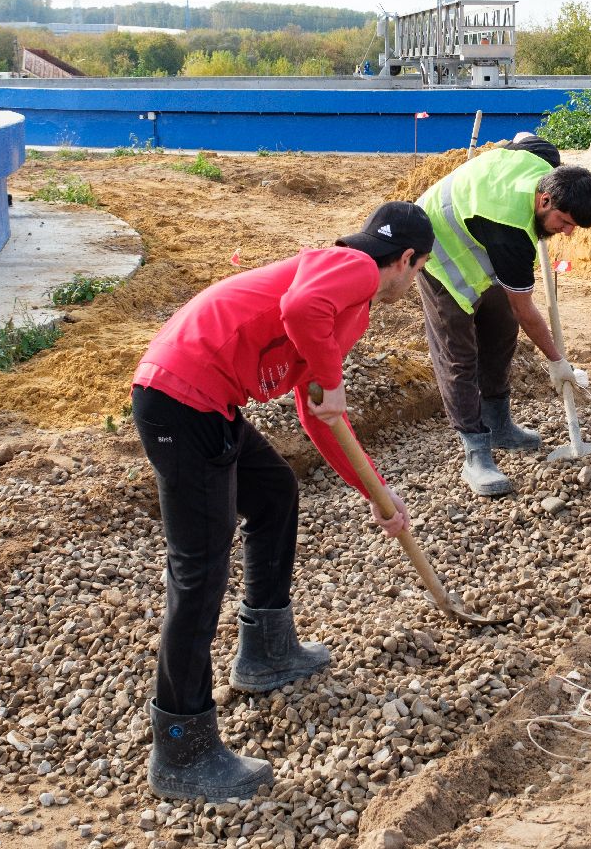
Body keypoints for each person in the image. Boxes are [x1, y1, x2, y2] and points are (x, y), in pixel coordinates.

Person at [129, 201, 433, 802]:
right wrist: (333, 377)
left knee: (273, 492)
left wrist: (374, 490)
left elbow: (320, 413)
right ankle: (181, 749)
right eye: (417, 271)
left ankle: (266, 650)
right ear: (405, 260)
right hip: (181, 398)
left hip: (205, 402)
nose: (410, 281)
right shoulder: (352, 270)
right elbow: (300, 312)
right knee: (198, 573)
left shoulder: (344, 302)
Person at [416, 134, 591, 497]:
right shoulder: (512, 231)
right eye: (563, 222)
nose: (566, 232)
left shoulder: (544, 163)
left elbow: (527, 141)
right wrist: (557, 361)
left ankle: (498, 422)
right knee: (459, 354)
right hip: (439, 250)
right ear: (544, 198)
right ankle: (476, 454)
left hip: (480, 240)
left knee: (502, 329)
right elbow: (526, 309)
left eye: (572, 228)